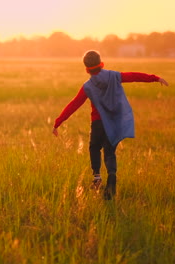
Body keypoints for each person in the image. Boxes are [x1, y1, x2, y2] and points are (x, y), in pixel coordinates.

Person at [52, 50, 168, 200]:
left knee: (94, 147)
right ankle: (111, 177)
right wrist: (155, 78)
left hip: (98, 123)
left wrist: (58, 122)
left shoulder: (87, 86)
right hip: (114, 122)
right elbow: (133, 76)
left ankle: (97, 177)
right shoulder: (114, 76)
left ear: (86, 69)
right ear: (102, 64)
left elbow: (74, 104)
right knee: (109, 150)